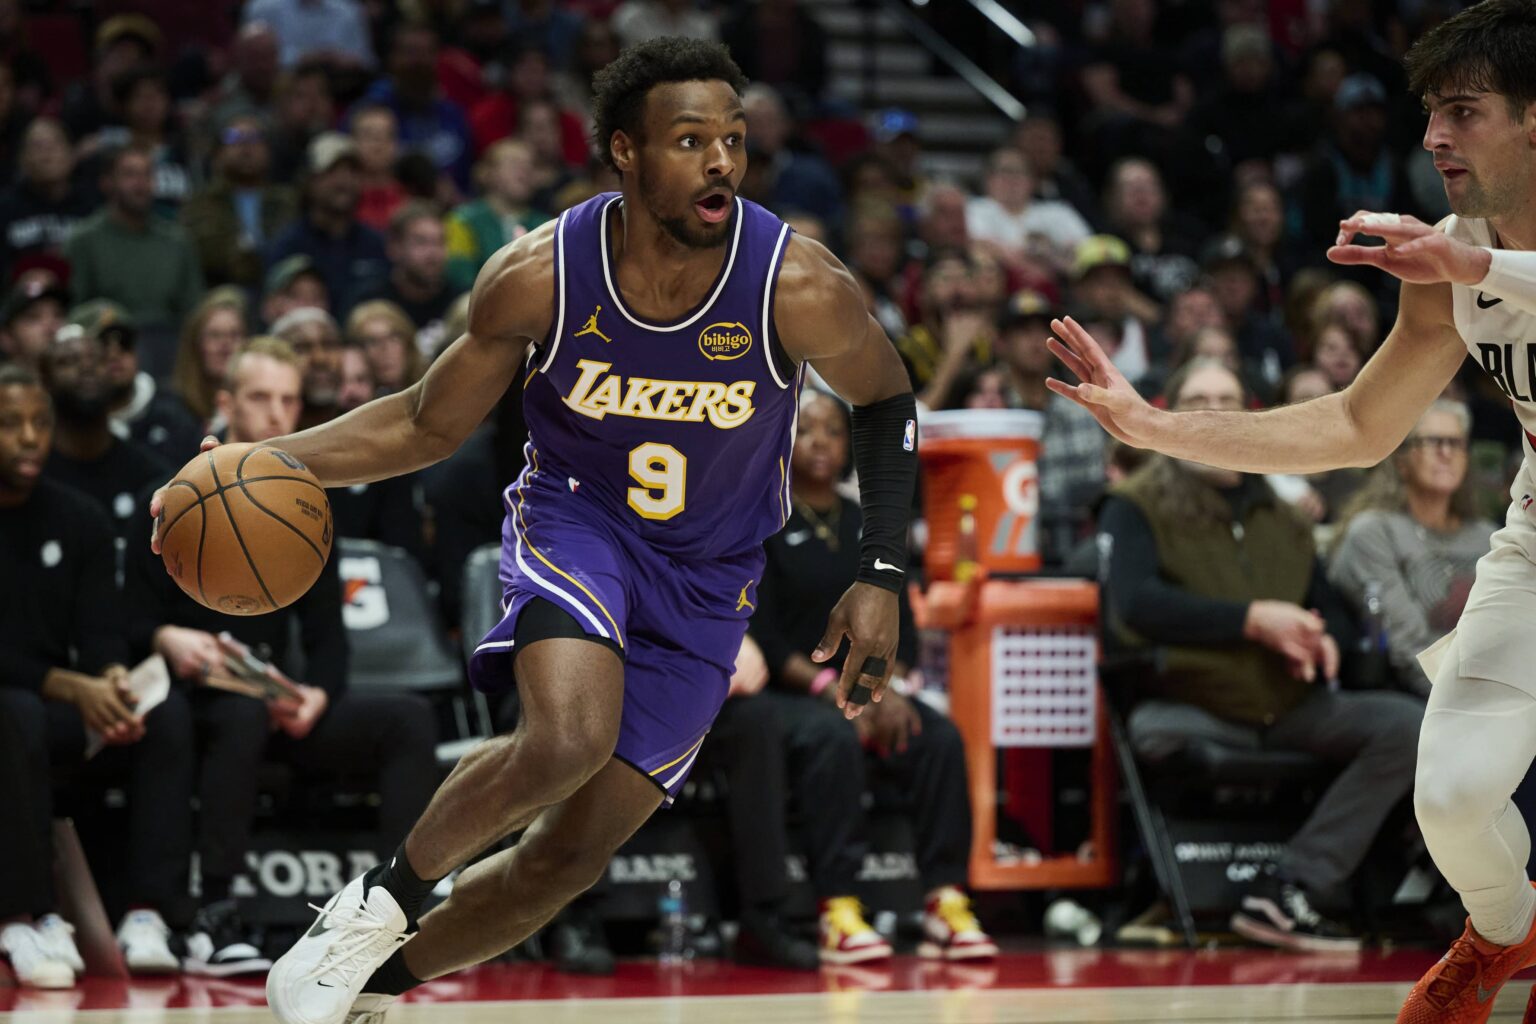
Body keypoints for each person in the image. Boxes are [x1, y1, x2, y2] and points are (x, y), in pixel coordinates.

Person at [150, 37, 916, 1024]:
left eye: (731, 137)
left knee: (567, 857)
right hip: (579, 521)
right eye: (690, 140)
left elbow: (887, 398)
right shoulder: (541, 274)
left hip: (712, 571)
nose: (722, 160)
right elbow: (426, 421)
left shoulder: (794, 283)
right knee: (567, 740)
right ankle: (373, 904)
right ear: (623, 152)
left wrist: (882, 568)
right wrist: (259, 462)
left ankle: (362, 989)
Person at [1044, 3, 1536, 1016]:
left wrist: (1475, 268)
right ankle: (1504, 934)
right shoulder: (1453, 251)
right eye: (1431, 114)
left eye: (1464, 111)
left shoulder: (1463, 260)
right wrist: (1154, 427)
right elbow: (1359, 425)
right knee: (1449, 794)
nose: (1435, 136)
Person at [128, 337, 438, 978]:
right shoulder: (175, 489)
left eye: (290, 400)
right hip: (199, 702)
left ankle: (396, 913)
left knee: (408, 720)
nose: (276, 414)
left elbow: (329, 642)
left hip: (274, 701)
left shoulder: (300, 498)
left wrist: (316, 696)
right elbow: (121, 616)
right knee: (230, 719)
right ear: (225, 402)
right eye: (261, 397)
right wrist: (165, 638)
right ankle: (215, 914)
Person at [1098, 358, 1422, 951]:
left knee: (1408, 726)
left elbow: (1330, 608)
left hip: (1290, 705)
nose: (1210, 410)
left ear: (1247, 416)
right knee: (1153, 731)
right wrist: (1251, 622)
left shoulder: (1283, 513)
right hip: (1191, 704)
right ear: (1166, 412)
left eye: (1225, 398)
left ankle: (1291, 885)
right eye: (1197, 398)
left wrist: (1319, 636)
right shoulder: (1135, 504)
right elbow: (1136, 603)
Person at [749, 390, 996, 964]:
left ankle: (945, 900)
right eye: (805, 430)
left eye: (833, 432)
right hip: (793, 690)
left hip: (867, 688)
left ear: (850, 447)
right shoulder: (763, 517)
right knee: (832, 738)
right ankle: (839, 908)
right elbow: (765, 639)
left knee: (939, 738)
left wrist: (878, 692)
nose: (819, 442)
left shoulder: (868, 522)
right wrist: (838, 696)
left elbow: (902, 632)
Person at [0, 364, 193, 979]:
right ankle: (28, 919)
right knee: (16, 712)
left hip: (56, 709)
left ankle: (149, 914)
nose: (30, 437)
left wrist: (111, 680)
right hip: (18, 707)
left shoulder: (79, 518)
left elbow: (101, 631)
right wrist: (65, 684)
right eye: (10, 424)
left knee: (162, 713)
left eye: (39, 422)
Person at [1329, 401, 1497, 696]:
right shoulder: (1374, 532)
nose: (1446, 453)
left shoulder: (1489, 536)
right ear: (1400, 459)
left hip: (1494, 687)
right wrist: (1477, 704)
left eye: (1456, 443)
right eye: (1432, 442)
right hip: (1409, 695)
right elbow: (1409, 648)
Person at [64, 144, 205, 334]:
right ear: (107, 183)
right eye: (130, 175)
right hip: (106, 346)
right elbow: (73, 312)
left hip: (169, 346)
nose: (141, 183)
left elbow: (194, 312)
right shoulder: (84, 241)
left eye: (147, 175)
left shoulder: (178, 241)